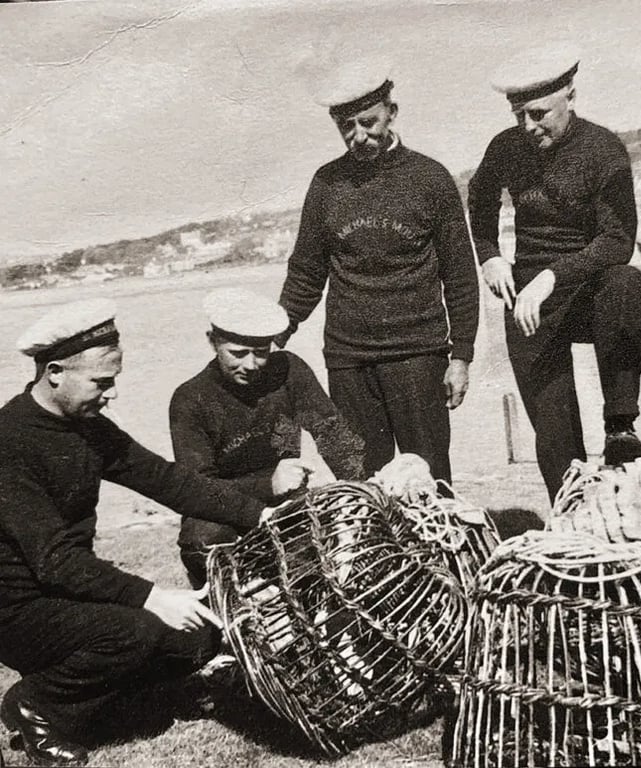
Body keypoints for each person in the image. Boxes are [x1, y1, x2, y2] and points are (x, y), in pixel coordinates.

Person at [0, 299, 274, 766]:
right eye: (101, 383)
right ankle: (33, 703)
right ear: (55, 372)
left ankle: (117, 704)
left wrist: (261, 517)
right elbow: (55, 560)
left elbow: (170, 482)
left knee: (198, 634)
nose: (112, 395)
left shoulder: (89, 427)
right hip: (17, 609)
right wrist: (151, 595)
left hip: (65, 595)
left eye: (115, 382)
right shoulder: (9, 442)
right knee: (137, 630)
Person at [277, 58, 479, 488]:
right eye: (346, 126)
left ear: (391, 111)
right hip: (349, 360)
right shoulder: (326, 184)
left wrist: (460, 355)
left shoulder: (430, 178)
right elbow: (306, 274)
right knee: (362, 483)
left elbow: (461, 276)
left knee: (428, 481)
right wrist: (274, 334)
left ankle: (437, 557)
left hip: (418, 357)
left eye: (367, 121)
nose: (358, 135)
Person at [468, 44, 641, 501]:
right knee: (555, 436)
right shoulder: (507, 148)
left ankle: (620, 424)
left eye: (538, 113)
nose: (528, 127)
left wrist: (552, 275)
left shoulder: (603, 149)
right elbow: (480, 198)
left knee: (627, 284)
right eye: (518, 116)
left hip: (589, 286)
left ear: (570, 94)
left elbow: (617, 242)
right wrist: (489, 254)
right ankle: (571, 508)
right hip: (531, 298)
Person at [170, 288, 366, 588]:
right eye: (237, 353)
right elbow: (197, 489)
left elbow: (333, 433)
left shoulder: (287, 370)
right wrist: (266, 486)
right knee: (203, 537)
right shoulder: (191, 399)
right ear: (213, 342)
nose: (251, 365)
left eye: (261, 352)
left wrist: (360, 491)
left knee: (317, 568)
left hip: (288, 501)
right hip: (222, 512)